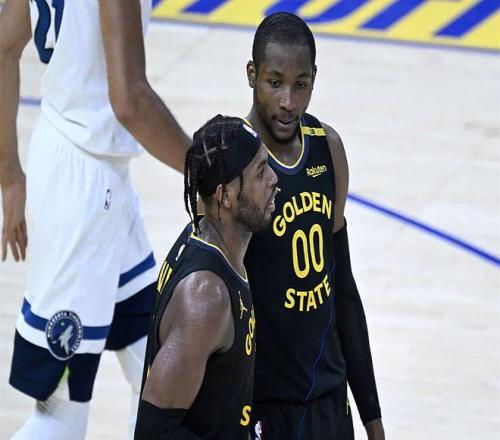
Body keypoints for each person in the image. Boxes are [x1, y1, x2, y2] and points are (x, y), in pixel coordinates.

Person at [0, 0, 189, 438]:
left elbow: (5, 43)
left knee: (160, 373)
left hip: (92, 174)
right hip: (82, 194)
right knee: (60, 420)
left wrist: (9, 175)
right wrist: (207, 170)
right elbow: (129, 100)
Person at [242, 13, 385, 439]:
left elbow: (343, 291)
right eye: (275, 82)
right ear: (252, 75)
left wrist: (373, 418)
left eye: (300, 84)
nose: (288, 101)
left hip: (329, 402)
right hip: (264, 405)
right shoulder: (235, 164)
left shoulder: (328, 148)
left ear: (314, 80)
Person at [135, 115, 278, 439]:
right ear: (224, 196)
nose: (273, 178)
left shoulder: (209, 235)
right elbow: (153, 433)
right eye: (260, 173)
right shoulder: (206, 296)